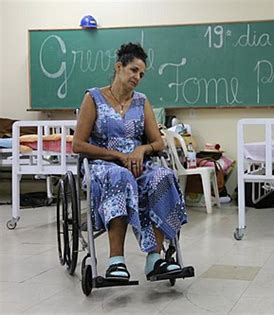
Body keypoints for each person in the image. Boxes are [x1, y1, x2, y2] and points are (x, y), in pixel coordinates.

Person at [73, 42, 187, 282]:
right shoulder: (93, 98)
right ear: (119, 67)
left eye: (141, 74)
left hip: (138, 165)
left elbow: (158, 142)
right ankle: (116, 261)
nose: (138, 77)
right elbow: (78, 145)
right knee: (120, 176)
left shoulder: (141, 101)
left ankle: (155, 259)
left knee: (163, 177)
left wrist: (140, 149)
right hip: (103, 166)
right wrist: (118, 157)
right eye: (134, 70)